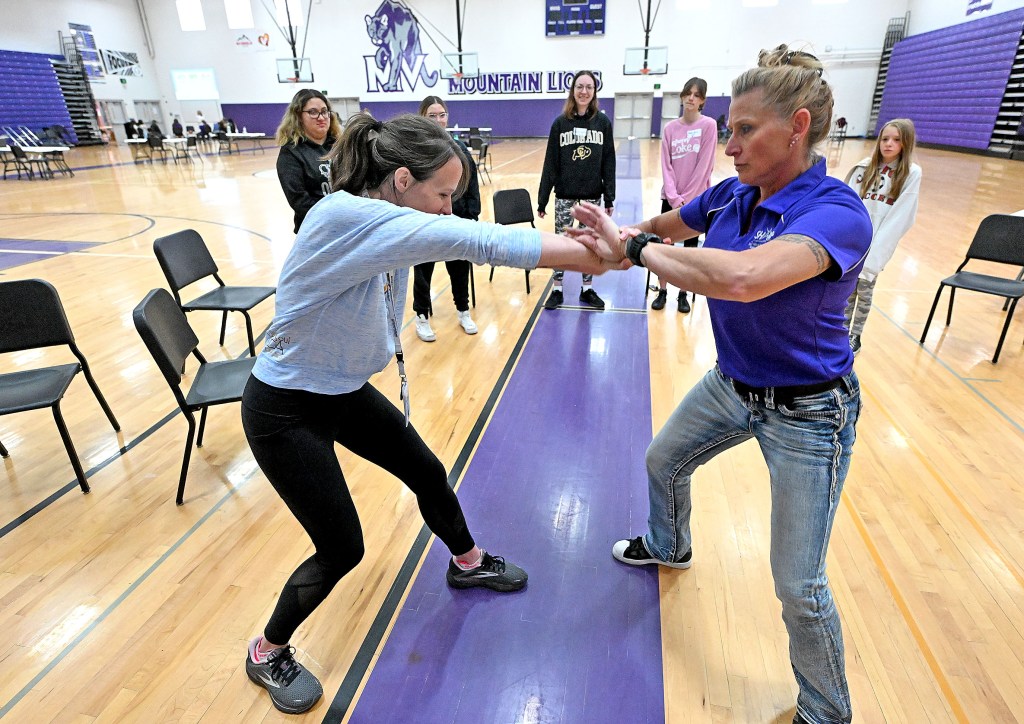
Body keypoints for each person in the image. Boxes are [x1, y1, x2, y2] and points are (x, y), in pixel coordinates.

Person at [240, 112, 617, 715]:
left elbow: (458, 233)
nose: (447, 207)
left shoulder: (386, 219)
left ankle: (466, 562)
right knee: (341, 548)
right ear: (400, 180)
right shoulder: (344, 216)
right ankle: (266, 649)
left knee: (427, 471)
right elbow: (476, 239)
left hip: (338, 390)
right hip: (285, 409)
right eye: (442, 194)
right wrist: (590, 256)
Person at [569, 45, 871, 724]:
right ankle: (670, 545)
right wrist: (616, 237)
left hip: (809, 413)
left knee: (799, 585)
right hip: (735, 384)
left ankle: (827, 712)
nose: (727, 145)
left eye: (744, 131)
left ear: (797, 127)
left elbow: (742, 277)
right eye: (728, 129)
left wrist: (638, 251)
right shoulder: (733, 194)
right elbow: (663, 226)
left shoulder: (836, 211)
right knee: (662, 459)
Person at [537, 69, 616, 310]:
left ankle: (587, 289)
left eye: (589, 87)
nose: (584, 91)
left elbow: (608, 161)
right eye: (579, 87)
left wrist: (609, 196)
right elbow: (551, 162)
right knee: (561, 244)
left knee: (591, 244)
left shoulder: (602, 123)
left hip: (592, 196)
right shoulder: (560, 124)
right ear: (573, 91)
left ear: (594, 92)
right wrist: (542, 200)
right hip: (565, 197)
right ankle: (558, 289)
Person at [843, 118, 921, 355]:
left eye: (896, 140)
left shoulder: (911, 173)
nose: (889, 144)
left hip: (877, 243)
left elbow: (901, 217)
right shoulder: (864, 167)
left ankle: (855, 334)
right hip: (855, 240)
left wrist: (877, 254)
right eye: (885, 139)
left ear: (905, 143)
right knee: (847, 290)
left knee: (864, 291)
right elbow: (850, 203)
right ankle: (841, 329)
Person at [411, 95, 480, 341]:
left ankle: (463, 310)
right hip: (426, 222)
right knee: (423, 270)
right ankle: (421, 315)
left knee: (459, 267)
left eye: (442, 115)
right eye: (432, 116)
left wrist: (471, 216)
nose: (438, 120)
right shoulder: (416, 151)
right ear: (423, 118)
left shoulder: (459, 149)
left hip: (455, 220)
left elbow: (472, 183)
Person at [651, 78, 717, 314]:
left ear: (702, 101)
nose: (691, 98)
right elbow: (666, 165)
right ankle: (663, 290)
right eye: (688, 93)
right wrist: (673, 196)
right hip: (670, 198)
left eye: (697, 95)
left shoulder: (708, 126)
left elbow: (705, 165)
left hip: (696, 200)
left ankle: (683, 294)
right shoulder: (670, 129)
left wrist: (688, 199)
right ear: (681, 96)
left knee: (689, 251)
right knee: (665, 246)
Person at [275, 89, 342, 233]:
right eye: (313, 112)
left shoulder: (341, 145)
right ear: (298, 116)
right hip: (315, 231)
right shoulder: (291, 153)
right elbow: (300, 202)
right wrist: (337, 214)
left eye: (325, 111)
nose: (321, 117)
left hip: (348, 225)